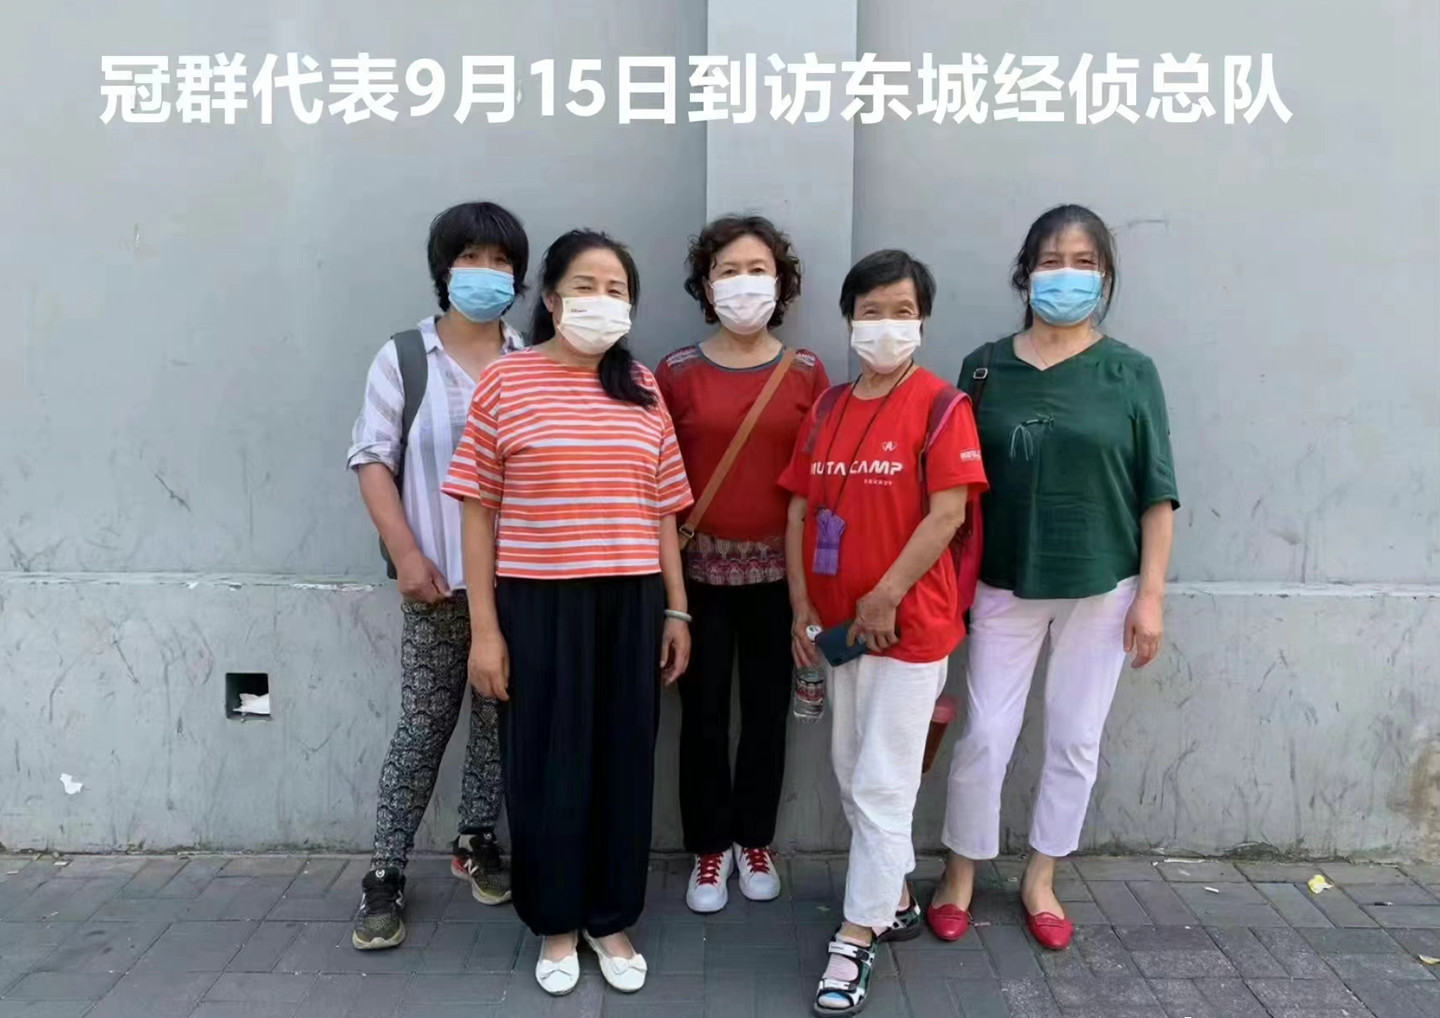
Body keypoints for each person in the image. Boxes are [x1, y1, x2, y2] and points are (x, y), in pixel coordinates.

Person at [443, 229, 693, 997]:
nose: (602, 300)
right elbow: (478, 511)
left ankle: (610, 918)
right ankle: (556, 922)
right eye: (586, 286)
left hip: (631, 601)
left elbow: (663, 510)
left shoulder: (642, 387)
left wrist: (678, 611)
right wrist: (486, 631)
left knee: (623, 761)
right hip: (538, 603)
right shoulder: (506, 382)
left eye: (617, 289)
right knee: (546, 766)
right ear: (551, 299)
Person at [930, 204, 1179, 951]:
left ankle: (1042, 876)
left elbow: (1157, 491)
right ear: (1025, 273)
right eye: (1051, 260)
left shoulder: (1131, 372)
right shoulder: (983, 367)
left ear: (1105, 277)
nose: (1066, 275)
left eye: (1083, 262)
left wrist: (1151, 597)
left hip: (1102, 586)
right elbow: (952, 485)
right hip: (1001, 581)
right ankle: (960, 871)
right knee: (986, 735)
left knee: (1075, 739)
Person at [780, 250, 988, 1015]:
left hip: (909, 628)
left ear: (922, 321)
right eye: (871, 311)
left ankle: (856, 936)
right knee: (850, 771)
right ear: (849, 319)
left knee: (881, 781)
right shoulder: (828, 407)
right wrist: (801, 604)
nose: (886, 326)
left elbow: (948, 513)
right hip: (840, 629)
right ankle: (894, 896)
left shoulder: (942, 407)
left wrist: (886, 594)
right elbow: (800, 508)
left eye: (902, 312)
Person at [344, 201, 528, 950]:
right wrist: (407, 553)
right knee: (423, 726)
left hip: (515, 583)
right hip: (435, 585)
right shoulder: (405, 357)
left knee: (497, 719)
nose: (485, 273)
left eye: (500, 261)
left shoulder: (530, 360)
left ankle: (476, 838)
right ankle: (385, 871)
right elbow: (371, 459)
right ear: (443, 270)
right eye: (470, 258)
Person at [655, 215, 830, 914]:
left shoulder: (807, 372)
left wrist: (813, 595)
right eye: (728, 270)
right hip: (697, 578)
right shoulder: (675, 373)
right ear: (706, 285)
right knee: (701, 718)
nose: (743, 283)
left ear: (781, 283)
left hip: (780, 582)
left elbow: (819, 489)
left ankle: (755, 839)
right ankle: (708, 847)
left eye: (758, 269)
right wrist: (670, 598)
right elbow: (657, 485)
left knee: (765, 714)